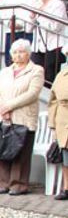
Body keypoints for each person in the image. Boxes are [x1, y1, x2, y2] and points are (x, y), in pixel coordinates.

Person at [0, 39, 44, 195]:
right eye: (15, 52)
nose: (18, 55)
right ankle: (3, 183)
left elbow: (32, 93)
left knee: (21, 152)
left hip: (24, 117)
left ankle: (18, 185)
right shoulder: (5, 71)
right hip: (4, 117)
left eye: (21, 52)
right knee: (4, 150)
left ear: (28, 53)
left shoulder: (36, 70)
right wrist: (1, 107)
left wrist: (10, 105)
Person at [28, 0, 66, 85]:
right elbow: (28, 29)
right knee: (36, 76)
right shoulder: (35, 4)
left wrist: (40, 16)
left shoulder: (58, 4)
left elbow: (55, 27)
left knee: (50, 78)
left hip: (53, 45)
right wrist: (32, 16)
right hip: (37, 46)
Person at [48, 62, 68, 199]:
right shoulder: (61, 75)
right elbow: (53, 101)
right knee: (66, 157)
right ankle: (67, 188)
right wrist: (52, 124)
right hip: (63, 119)